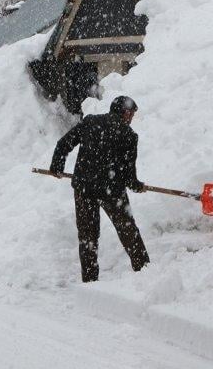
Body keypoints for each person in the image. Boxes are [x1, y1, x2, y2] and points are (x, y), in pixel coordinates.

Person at [50, 96, 150, 282]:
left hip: (84, 188)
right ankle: (145, 271)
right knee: (128, 231)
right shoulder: (129, 136)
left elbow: (64, 144)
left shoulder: (90, 122)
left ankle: (89, 280)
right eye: (131, 114)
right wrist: (136, 185)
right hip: (111, 191)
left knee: (88, 236)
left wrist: (56, 166)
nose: (131, 118)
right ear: (124, 112)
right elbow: (128, 175)